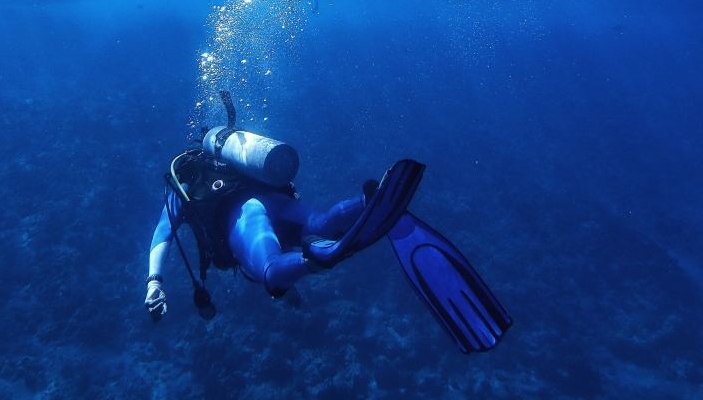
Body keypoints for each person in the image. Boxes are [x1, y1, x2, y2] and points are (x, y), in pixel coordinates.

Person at [144, 92, 512, 354]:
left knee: (269, 270)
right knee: (320, 220)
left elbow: (163, 234)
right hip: (273, 197)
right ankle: (368, 201)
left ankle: (316, 258)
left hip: (243, 215)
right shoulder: (233, 161)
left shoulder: (184, 179)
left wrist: (154, 282)